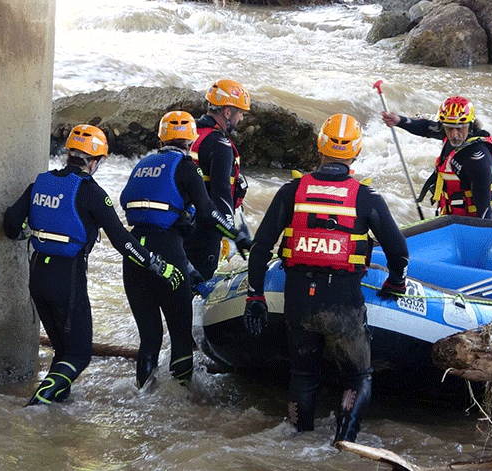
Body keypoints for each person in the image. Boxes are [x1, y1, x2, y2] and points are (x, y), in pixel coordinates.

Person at [243, 114, 409, 444]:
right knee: (358, 376)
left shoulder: (292, 191)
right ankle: (343, 444)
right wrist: (396, 282)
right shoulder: (366, 197)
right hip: (343, 303)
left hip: (300, 300)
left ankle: (297, 439)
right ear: (356, 153)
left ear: (320, 147)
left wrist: (255, 296)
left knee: (302, 375)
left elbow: (261, 247)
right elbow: (399, 252)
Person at [3, 124, 184, 406]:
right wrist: (156, 265)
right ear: (95, 161)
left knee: (63, 352)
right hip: (67, 278)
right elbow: (122, 240)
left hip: (37, 275)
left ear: (70, 154)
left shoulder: (39, 183)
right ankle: (34, 406)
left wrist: (28, 233)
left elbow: (10, 224)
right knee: (78, 355)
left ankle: (51, 419)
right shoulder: (91, 193)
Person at [120, 110, 251, 389]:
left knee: (150, 339)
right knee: (180, 337)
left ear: (160, 140)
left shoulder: (142, 165)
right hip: (169, 254)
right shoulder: (186, 166)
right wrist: (236, 235)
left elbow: (125, 200)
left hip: (134, 257)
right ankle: (182, 401)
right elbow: (207, 213)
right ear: (192, 143)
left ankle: (143, 399)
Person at [381, 96, 492, 219]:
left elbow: (484, 209)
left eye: (460, 128)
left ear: (470, 126)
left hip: (472, 222)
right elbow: (425, 127)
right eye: (449, 128)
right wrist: (398, 120)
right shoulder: (450, 133)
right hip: (451, 218)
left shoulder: (478, 158)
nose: (454, 135)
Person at [184, 79, 252, 283]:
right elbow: (221, 194)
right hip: (204, 232)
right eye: (240, 112)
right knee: (198, 288)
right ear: (227, 112)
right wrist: (233, 234)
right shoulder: (220, 144)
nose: (241, 118)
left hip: (180, 225)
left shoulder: (189, 133)